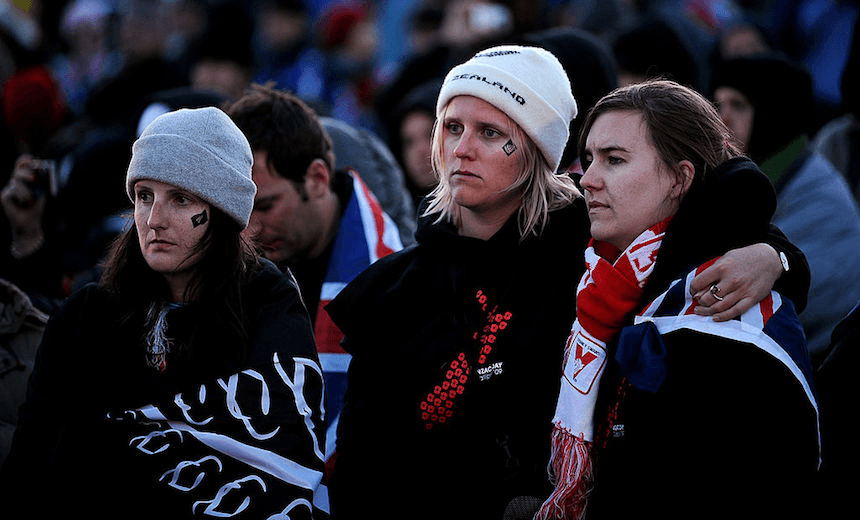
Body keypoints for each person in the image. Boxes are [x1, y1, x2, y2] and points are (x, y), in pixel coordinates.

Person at [323, 46, 811, 520]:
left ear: (537, 148)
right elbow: (361, 472)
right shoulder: (391, 289)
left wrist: (776, 257)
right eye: (451, 127)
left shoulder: (593, 238)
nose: (462, 148)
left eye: (491, 132)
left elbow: (718, 199)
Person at [0, 107, 326, 519]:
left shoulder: (268, 307)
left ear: (223, 210)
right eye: (144, 196)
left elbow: (281, 464)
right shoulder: (87, 316)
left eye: (181, 198)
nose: (154, 220)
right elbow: (31, 463)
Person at [538, 79, 820, 520]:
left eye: (614, 160)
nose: (587, 180)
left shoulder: (727, 322)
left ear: (679, 178)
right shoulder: (605, 269)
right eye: (589, 158)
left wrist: (778, 257)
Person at [223, 84, 404, 474]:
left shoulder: (397, 280)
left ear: (317, 178)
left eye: (265, 206)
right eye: (238, 210)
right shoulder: (225, 263)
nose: (249, 230)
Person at [712, 52, 860, 362]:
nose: (721, 120)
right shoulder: (745, 180)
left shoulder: (817, 196)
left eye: (738, 105)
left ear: (772, 113)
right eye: (718, 105)